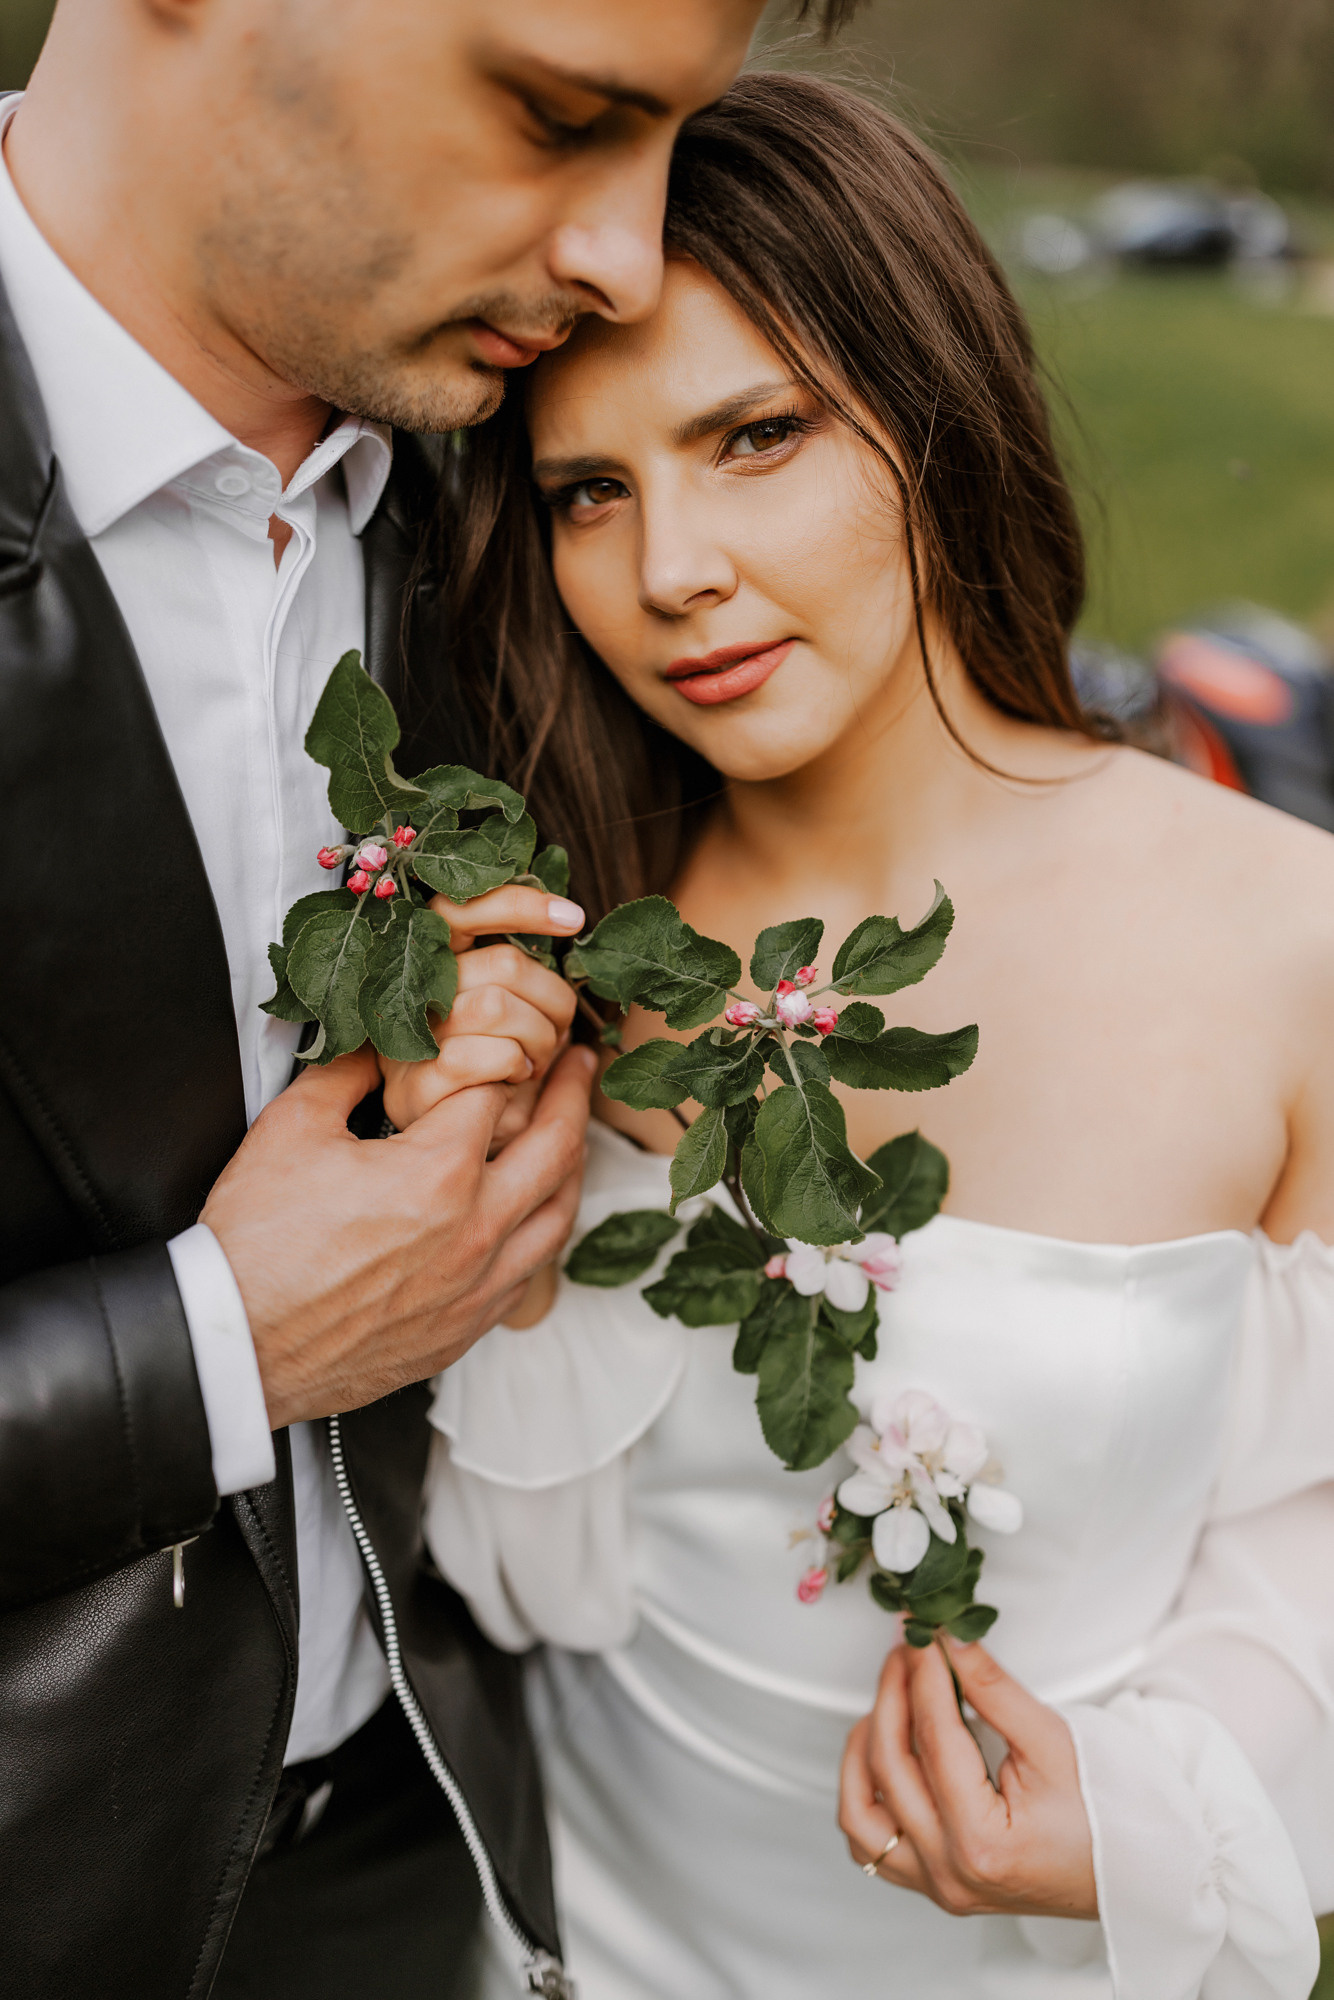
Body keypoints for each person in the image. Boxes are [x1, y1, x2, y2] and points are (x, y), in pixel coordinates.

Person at [410, 74, 1334, 1998]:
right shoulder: (553, 957)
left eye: (754, 437)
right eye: (592, 488)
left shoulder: (1287, 944)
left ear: (939, 414)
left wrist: (1154, 1804)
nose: (667, 571)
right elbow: (506, 1580)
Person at [0, 1, 823, 1995]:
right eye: (557, 110)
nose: (631, 257)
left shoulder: (554, 513)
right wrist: (219, 1341)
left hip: (422, 1857)